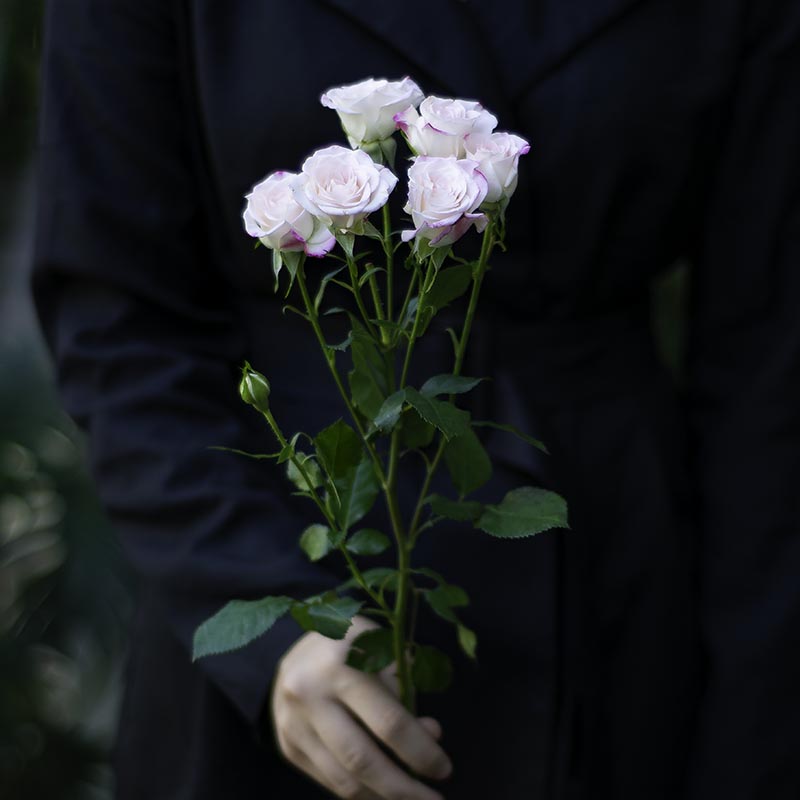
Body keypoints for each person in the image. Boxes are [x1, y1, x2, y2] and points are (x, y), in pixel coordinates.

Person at [32, 1, 800, 798]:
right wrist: (274, 627)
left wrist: (758, 727)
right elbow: (115, 316)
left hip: (615, 583)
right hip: (269, 570)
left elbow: (770, 371)